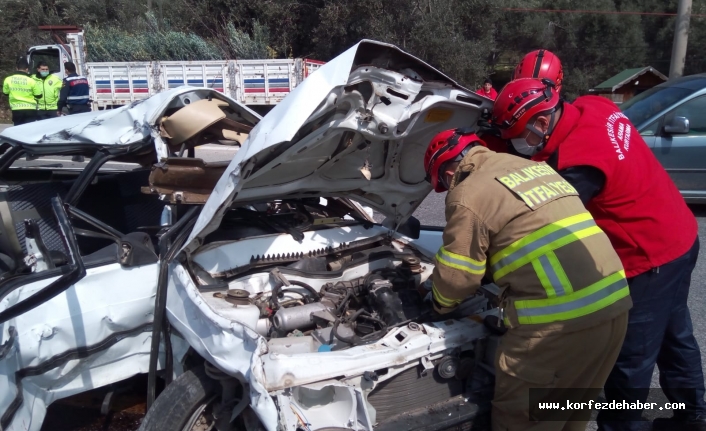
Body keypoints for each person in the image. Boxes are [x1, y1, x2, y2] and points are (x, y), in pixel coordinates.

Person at [490, 77, 705, 431]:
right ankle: (693, 415)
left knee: (630, 359)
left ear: (542, 123)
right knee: (675, 334)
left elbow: (547, 218)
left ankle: (623, 426)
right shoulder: (593, 106)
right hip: (680, 234)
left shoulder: (580, 166)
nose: (517, 144)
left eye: (518, 135)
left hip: (647, 258)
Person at [424, 127, 631, 431]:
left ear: (450, 168)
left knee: (520, 419)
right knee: (569, 417)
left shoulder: (468, 194)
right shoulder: (534, 168)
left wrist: (436, 306)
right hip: (613, 309)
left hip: (558, 329)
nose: (448, 187)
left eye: (443, 181)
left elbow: (457, 279)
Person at [2, 58, 42, 126]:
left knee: (18, 131)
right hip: (30, 109)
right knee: (29, 130)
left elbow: (5, 93)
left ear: (16, 68)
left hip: (16, 109)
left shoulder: (8, 79)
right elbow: (39, 95)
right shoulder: (31, 81)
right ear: (27, 69)